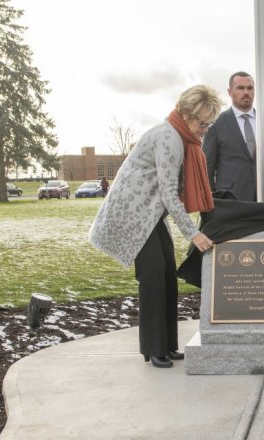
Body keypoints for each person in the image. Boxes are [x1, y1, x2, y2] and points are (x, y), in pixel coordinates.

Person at [89, 85, 220, 368]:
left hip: (151, 214)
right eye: (202, 122)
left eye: (209, 123)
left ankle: (167, 345)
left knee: (166, 278)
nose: (205, 129)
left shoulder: (179, 136)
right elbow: (168, 193)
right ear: (186, 114)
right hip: (135, 215)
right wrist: (193, 233)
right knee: (153, 279)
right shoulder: (168, 138)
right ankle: (153, 348)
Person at [202, 71, 257, 201]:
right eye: (240, 88)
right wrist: (213, 196)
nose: (246, 92)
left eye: (250, 88)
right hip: (231, 199)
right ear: (230, 92)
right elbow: (207, 165)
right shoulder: (216, 123)